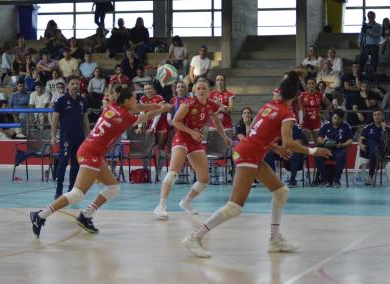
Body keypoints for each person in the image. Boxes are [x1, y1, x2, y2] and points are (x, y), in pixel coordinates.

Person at [181, 74, 331, 258]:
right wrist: (314, 151)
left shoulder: (268, 106)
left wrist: (275, 148)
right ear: (296, 97)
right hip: (249, 155)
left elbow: (256, 131)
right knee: (234, 207)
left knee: (280, 192)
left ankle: (275, 240)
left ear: (279, 92)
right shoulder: (287, 113)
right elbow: (289, 142)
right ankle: (194, 237)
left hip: (250, 151)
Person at [30, 87, 171, 238]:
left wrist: (156, 105)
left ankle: (86, 216)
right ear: (126, 101)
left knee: (113, 188)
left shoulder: (113, 106)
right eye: (134, 98)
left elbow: (137, 107)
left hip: (92, 151)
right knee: (77, 194)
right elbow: (144, 116)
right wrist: (162, 109)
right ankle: (40, 215)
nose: (136, 101)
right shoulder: (124, 116)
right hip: (90, 153)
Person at [153, 79, 232, 220]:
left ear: (208, 91)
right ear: (195, 90)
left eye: (204, 88)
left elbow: (217, 121)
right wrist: (192, 132)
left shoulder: (211, 104)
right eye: (199, 88)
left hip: (195, 141)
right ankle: (161, 206)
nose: (201, 90)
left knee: (204, 179)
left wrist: (224, 137)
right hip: (182, 138)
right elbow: (176, 122)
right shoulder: (188, 103)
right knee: (173, 172)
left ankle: (186, 202)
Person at [51, 76, 90, 199]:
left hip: (79, 138)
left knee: (76, 164)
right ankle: (58, 191)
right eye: (72, 84)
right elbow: (55, 119)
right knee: (62, 163)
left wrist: (88, 136)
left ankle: (72, 189)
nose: (75, 86)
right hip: (66, 138)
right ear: (67, 86)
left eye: (77, 84)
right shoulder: (61, 100)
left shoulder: (82, 101)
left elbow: (85, 119)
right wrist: (53, 136)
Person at [314, 109, 353, 187]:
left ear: (342, 119)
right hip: (327, 149)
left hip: (339, 149)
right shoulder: (326, 126)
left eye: (338, 119)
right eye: (334, 118)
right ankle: (325, 179)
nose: (335, 120)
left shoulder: (346, 126)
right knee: (317, 155)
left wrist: (342, 145)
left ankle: (336, 180)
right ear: (332, 117)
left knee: (341, 156)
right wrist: (325, 142)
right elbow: (319, 139)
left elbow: (350, 140)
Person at [138, 82, 169, 177]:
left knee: (160, 149)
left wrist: (153, 127)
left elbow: (158, 113)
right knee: (146, 149)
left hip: (160, 124)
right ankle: (146, 172)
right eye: (145, 89)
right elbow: (142, 114)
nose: (147, 91)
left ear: (155, 90)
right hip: (148, 124)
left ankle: (158, 173)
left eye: (149, 89)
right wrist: (139, 127)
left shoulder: (159, 98)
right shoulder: (143, 99)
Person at [359, 109, 390, 185]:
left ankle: (370, 177)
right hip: (367, 151)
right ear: (373, 117)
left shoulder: (387, 128)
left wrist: (384, 129)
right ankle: (379, 160)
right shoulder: (368, 127)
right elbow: (361, 138)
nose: (376, 116)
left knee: (373, 151)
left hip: (382, 151)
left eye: (379, 114)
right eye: (375, 115)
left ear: (383, 116)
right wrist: (360, 144)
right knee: (371, 143)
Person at [298, 78, 332, 143]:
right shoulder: (302, 95)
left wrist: (324, 113)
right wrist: (300, 118)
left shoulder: (320, 95)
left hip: (316, 122)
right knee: (305, 143)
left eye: (313, 83)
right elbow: (298, 108)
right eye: (309, 83)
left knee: (318, 143)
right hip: (305, 122)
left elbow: (330, 105)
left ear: (316, 85)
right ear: (307, 85)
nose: (311, 85)